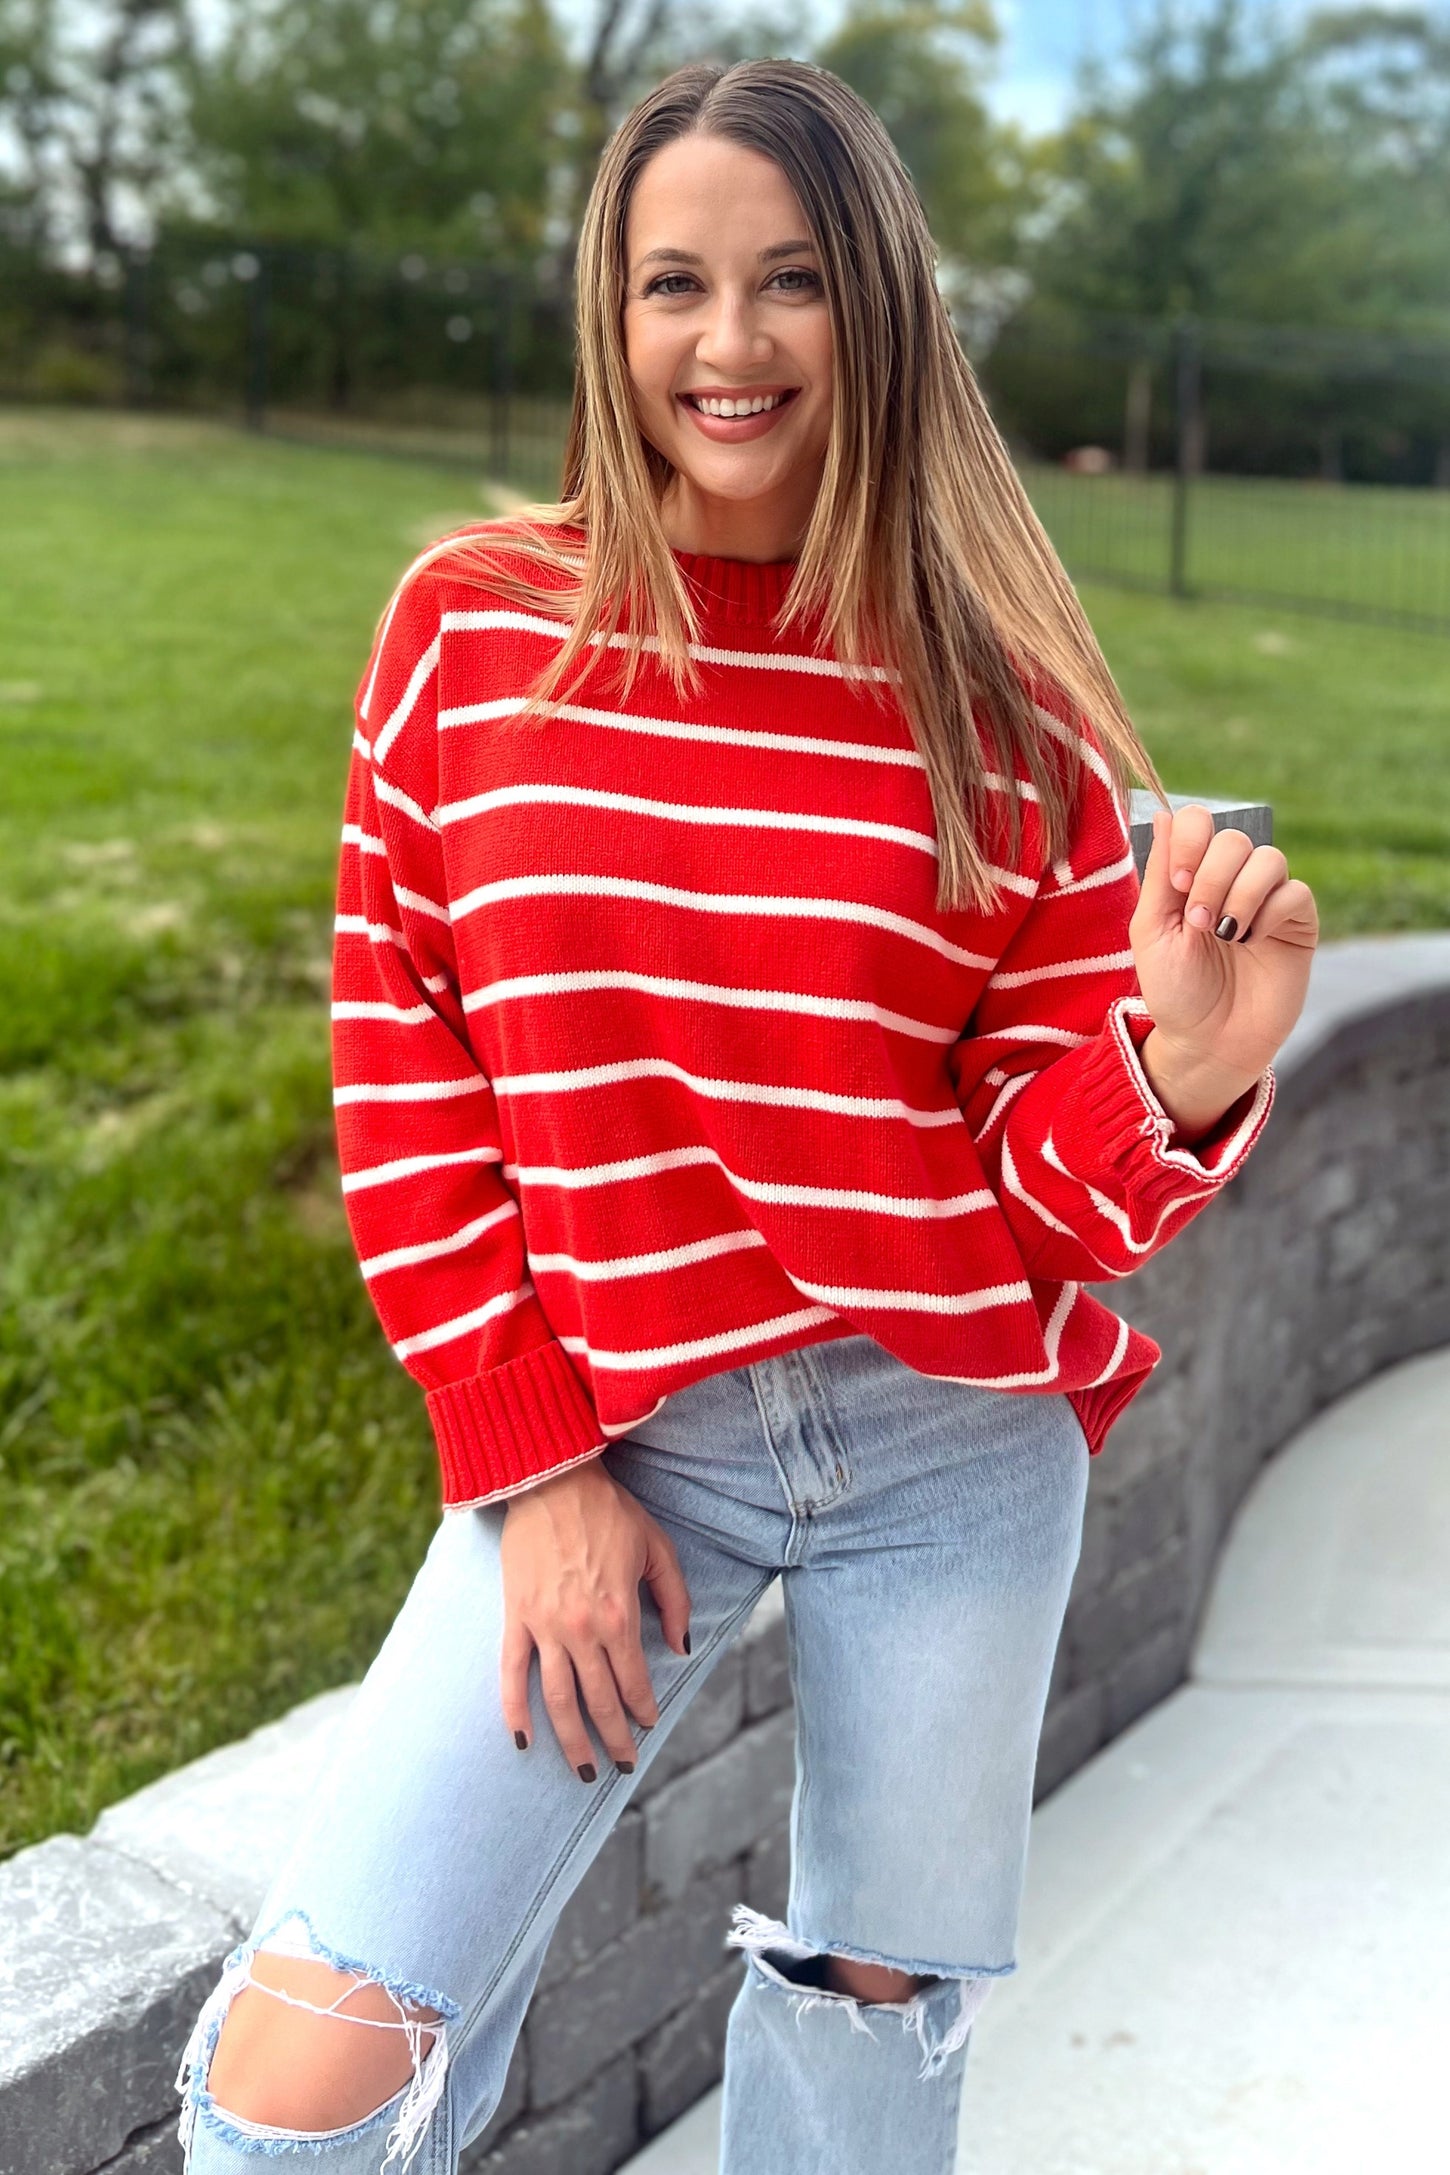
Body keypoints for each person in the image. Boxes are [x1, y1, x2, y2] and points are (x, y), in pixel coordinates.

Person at [175, 55, 1317, 2175]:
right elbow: (406, 1054)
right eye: (670, 283)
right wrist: (535, 1462)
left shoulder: (1007, 707)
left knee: (861, 2054)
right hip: (623, 1420)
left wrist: (1175, 1072)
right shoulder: (470, 631)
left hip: (948, 1447)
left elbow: (1028, 1205)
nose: (728, 340)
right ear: (605, 315)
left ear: (873, 306)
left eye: (789, 278)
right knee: (298, 2079)